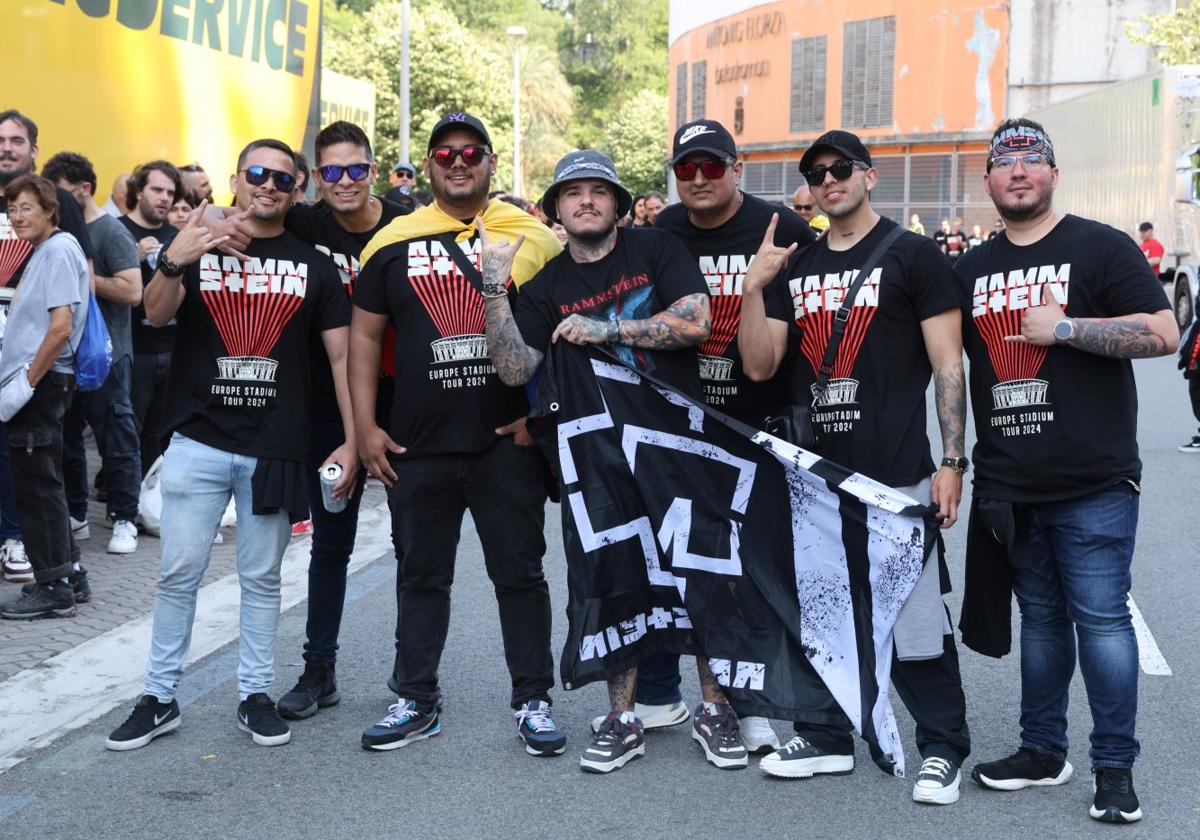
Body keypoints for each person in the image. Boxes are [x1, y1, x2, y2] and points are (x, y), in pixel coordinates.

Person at [738, 129, 971, 805]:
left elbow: (947, 364)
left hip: (897, 478)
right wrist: (754, 289)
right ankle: (828, 738)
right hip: (815, 481)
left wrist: (953, 461)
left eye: (841, 168)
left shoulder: (915, 256)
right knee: (825, 614)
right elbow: (759, 365)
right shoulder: (799, 266)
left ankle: (942, 748)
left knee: (917, 621)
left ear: (869, 176)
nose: (828, 179)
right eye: (816, 172)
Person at [955, 118, 1177, 824]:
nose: (1017, 171)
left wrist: (1070, 329)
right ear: (988, 180)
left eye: (1031, 159)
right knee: (1043, 625)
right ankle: (1042, 751)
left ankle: (1115, 769)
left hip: (1093, 481)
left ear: (1053, 172)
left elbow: (1165, 332)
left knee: (1103, 624)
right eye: (1004, 162)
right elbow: (938, 364)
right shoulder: (970, 269)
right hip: (1010, 484)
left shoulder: (1099, 247)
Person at [104, 139, 354, 751]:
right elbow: (157, 316)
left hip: (276, 446)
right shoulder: (197, 244)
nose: (269, 185)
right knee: (178, 573)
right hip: (198, 439)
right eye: (258, 174)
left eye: (283, 179)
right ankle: (159, 697)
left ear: (297, 191)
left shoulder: (314, 266)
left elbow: (343, 356)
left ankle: (254, 695)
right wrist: (174, 257)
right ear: (237, 180)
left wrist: (352, 439)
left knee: (262, 578)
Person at [484, 149, 713, 774]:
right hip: (598, 460)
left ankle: (714, 708)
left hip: (675, 445)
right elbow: (513, 367)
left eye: (598, 191)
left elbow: (697, 321)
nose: (585, 201)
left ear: (617, 202)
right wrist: (492, 288)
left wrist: (607, 330)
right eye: (572, 193)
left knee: (700, 573)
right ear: (557, 208)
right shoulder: (546, 285)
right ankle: (623, 717)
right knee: (613, 583)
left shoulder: (655, 249)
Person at [350, 112, 564, 756]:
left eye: (472, 152)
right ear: (429, 165)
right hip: (418, 446)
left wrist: (543, 418)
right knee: (421, 576)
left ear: (492, 162)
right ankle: (415, 698)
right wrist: (364, 430)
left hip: (507, 443)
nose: (459, 162)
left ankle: (533, 699)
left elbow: (562, 339)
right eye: (445, 154)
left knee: (520, 577)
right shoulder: (390, 242)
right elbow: (362, 338)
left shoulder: (533, 239)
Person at [648, 118, 816, 760]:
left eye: (711, 167)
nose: (697, 179)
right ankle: (699, 698)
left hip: (760, 427)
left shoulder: (783, 230)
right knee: (692, 566)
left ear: (736, 168)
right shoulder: (660, 232)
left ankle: (756, 696)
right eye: (686, 169)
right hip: (679, 428)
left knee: (760, 570)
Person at [266, 120, 411, 720]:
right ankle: (318, 669)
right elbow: (243, 216)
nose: (345, 181)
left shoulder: (407, 225)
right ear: (315, 180)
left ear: (373, 171)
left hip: (403, 402)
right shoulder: (304, 222)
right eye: (332, 172)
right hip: (328, 405)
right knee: (331, 543)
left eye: (356, 169)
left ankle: (413, 680)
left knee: (415, 544)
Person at [0, 110, 94, 591]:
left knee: (36, 490)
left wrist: (23, 384)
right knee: (46, 484)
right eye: (12, 210)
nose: (18, 217)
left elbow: (60, 328)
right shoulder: (44, 250)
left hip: (41, 383)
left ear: (51, 211)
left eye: (26, 209)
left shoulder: (57, 250)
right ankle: (69, 575)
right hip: (43, 382)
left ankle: (51, 586)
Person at [43, 151, 145, 555]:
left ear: (85, 190)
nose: (57, 204)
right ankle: (77, 514)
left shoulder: (110, 233)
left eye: (63, 194)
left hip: (107, 356)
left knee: (117, 441)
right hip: (65, 356)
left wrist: (85, 279)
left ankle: (124, 519)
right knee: (66, 441)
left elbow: (133, 291)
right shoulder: (56, 234)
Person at [119, 161, 183, 478]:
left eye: (170, 192)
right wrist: (133, 255)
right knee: (126, 431)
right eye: (157, 189)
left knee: (160, 436)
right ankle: (125, 506)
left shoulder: (177, 236)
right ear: (139, 190)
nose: (164, 198)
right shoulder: (115, 229)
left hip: (172, 349)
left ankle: (149, 502)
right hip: (132, 349)